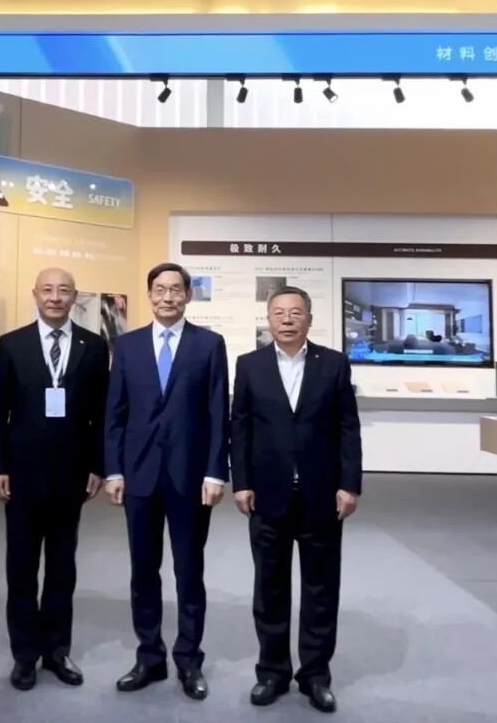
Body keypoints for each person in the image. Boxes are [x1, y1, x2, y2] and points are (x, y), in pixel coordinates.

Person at [230, 286, 363, 714]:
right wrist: (241, 482)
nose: (287, 320)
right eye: (279, 313)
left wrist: (350, 484)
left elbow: (347, 427)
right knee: (269, 589)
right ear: (268, 319)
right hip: (267, 495)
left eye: (295, 313)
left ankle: (315, 676)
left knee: (321, 590)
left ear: (309, 318)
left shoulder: (334, 364)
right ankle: (271, 672)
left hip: (321, 495)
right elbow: (240, 427)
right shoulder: (249, 365)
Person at [104, 262, 229, 701]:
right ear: (149, 295)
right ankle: (149, 656)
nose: (168, 297)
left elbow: (218, 412)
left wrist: (216, 471)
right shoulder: (128, 345)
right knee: (143, 571)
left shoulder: (209, 344)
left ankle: (189, 660)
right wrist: (113, 470)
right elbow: (115, 412)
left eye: (176, 289)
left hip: (190, 478)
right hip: (139, 476)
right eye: (160, 289)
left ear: (188, 295)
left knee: (189, 572)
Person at [0, 267, 110, 691]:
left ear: (75, 296)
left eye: (64, 291)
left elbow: (101, 413)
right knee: (21, 569)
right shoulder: (12, 344)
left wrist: (97, 465)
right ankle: (24, 655)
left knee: (61, 568)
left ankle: (56, 650)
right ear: (35, 294)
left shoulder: (94, 346)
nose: (55, 297)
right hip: (20, 475)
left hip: (71, 475)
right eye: (48, 290)